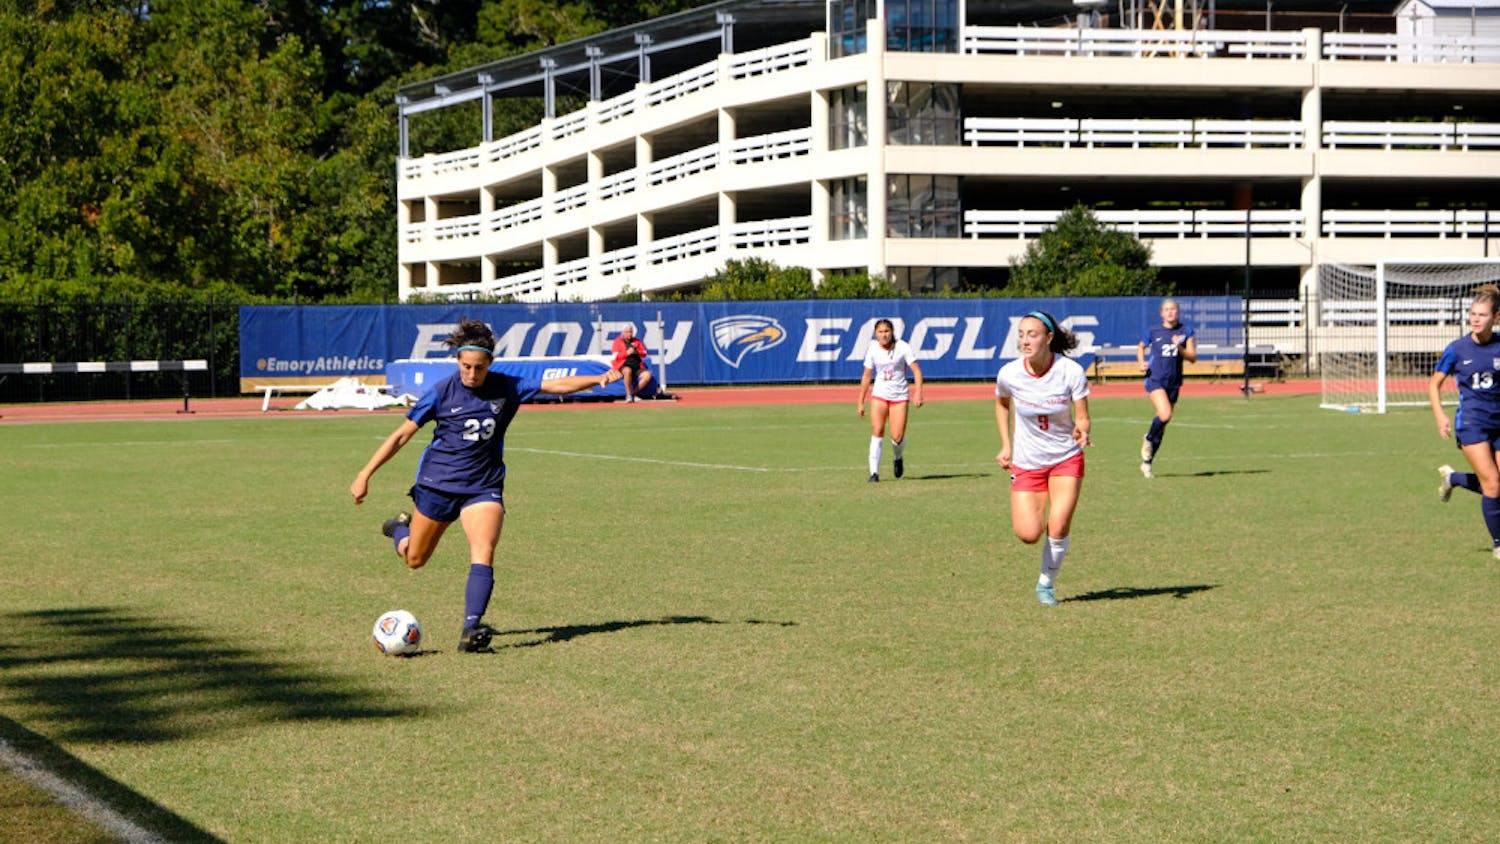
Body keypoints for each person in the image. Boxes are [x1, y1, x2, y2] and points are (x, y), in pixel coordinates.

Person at [350, 318, 620, 652]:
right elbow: (401, 435)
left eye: (479, 367)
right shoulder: (441, 393)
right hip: (439, 484)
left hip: (483, 485)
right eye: (466, 366)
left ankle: (470, 629)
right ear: (457, 361)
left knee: (484, 550)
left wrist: (600, 377)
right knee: (415, 560)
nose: (472, 374)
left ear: (490, 363)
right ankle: (398, 530)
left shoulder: (508, 386)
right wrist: (365, 474)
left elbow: (558, 386)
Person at [995, 310, 1091, 606]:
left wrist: (1082, 430)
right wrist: (1005, 444)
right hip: (1027, 461)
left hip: (1065, 457)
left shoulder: (1070, 371)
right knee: (1028, 534)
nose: (1025, 340)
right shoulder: (1009, 373)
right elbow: (1001, 404)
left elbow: (1083, 417)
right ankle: (1043, 565)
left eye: (1032, 334)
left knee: (1059, 525)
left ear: (1049, 338)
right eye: (1021, 334)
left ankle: (1046, 584)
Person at [1429, 284, 1500, 559]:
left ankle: (1453, 478)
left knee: (1496, 484)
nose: (1475, 319)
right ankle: (1498, 545)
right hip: (1472, 423)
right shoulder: (1457, 349)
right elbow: (1434, 384)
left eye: (1482, 314)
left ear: (1495, 317)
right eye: (1472, 313)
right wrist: (1440, 415)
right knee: (1492, 485)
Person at [856, 318, 924, 482]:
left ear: (892, 332)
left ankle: (897, 457)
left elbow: (917, 372)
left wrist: (918, 392)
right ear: (875, 333)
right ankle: (874, 473)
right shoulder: (872, 349)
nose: (884, 335)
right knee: (877, 431)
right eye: (880, 332)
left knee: (897, 436)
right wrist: (861, 401)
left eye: (887, 331)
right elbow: (866, 376)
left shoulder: (903, 347)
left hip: (900, 396)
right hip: (879, 395)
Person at [1136, 298, 1197, 479]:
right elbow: (1140, 347)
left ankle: (1147, 462)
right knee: (1165, 414)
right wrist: (1141, 362)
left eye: (1173, 309)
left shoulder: (1186, 331)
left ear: (1178, 312)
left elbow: (1193, 357)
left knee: (1162, 427)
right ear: (1162, 313)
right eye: (1167, 310)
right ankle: (1147, 438)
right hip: (1155, 379)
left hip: (1174, 382)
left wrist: (1180, 347)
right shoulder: (1154, 331)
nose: (1170, 312)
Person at [610, 324, 653, 402]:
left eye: (630, 332)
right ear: (623, 333)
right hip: (623, 365)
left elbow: (644, 352)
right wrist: (627, 353)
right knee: (627, 370)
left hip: (637, 366)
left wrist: (637, 352)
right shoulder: (617, 341)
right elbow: (614, 357)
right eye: (627, 332)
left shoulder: (637, 341)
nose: (629, 334)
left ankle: (633, 394)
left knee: (647, 375)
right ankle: (628, 394)